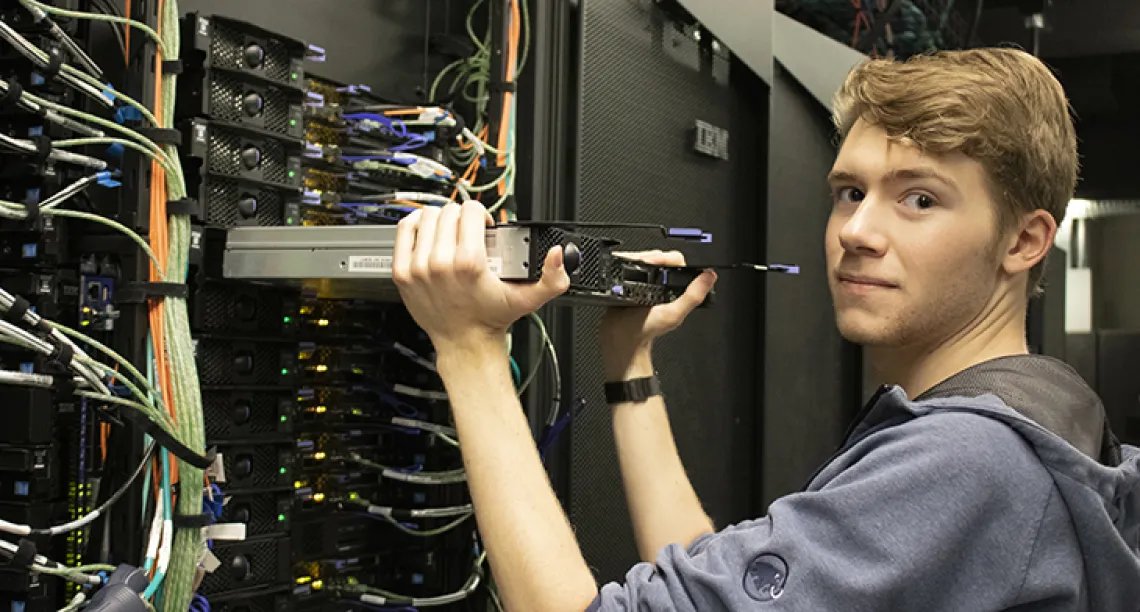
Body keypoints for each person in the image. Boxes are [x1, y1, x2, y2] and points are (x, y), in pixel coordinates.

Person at [391, 48, 1140, 612]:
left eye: (918, 200)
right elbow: (709, 577)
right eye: (849, 193)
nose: (858, 231)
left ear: (1024, 242)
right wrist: (631, 369)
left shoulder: (970, 462)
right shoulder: (1048, 418)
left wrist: (467, 348)